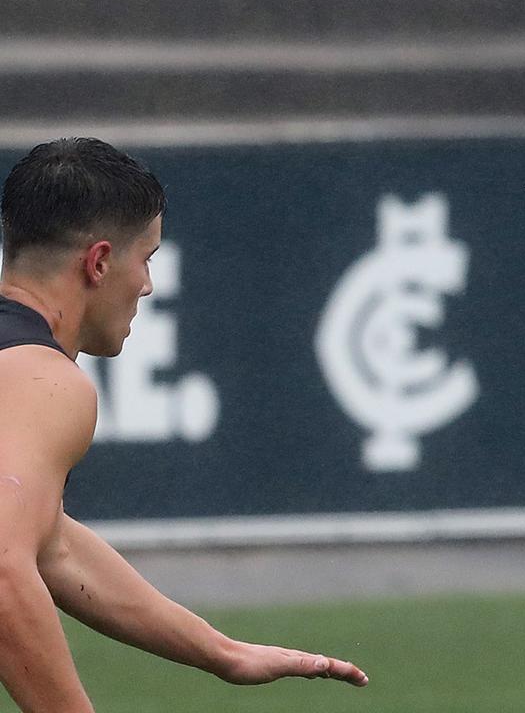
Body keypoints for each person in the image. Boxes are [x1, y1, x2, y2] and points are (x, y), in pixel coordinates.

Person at [0, 137, 369, 712]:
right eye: (145, 258)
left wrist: (220, 652)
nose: (147, 285)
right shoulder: (43, 380)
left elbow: (48, 543)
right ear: (98, 263)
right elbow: (3, 564)